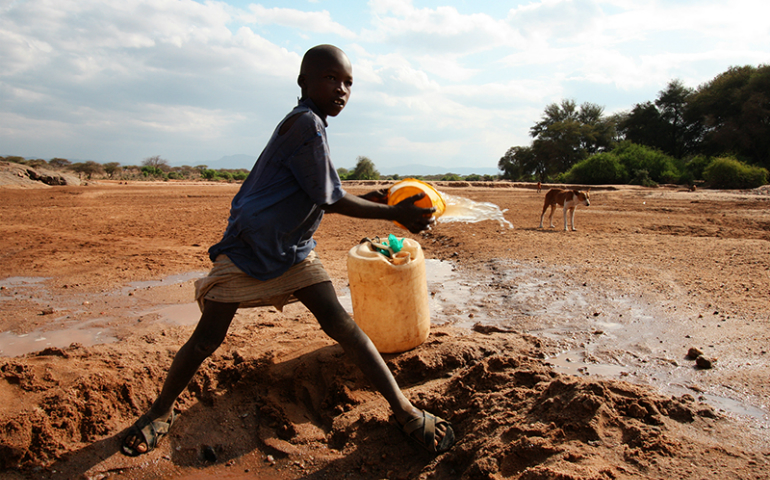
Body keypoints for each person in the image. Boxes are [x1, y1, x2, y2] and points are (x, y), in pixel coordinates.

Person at [121, 44, 455, 457]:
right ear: (304, 82)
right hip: (248, 251)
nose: (341, 89)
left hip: (294, 253)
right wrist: (391, 212)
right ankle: (159, 412)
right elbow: (332, 201)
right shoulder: (305, 125)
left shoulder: (313, 127)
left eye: (348, 82)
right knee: (206, 340)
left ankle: (404, 410)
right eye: (331, 78)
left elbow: (322, 194)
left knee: (343, 327)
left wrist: (379, 197)